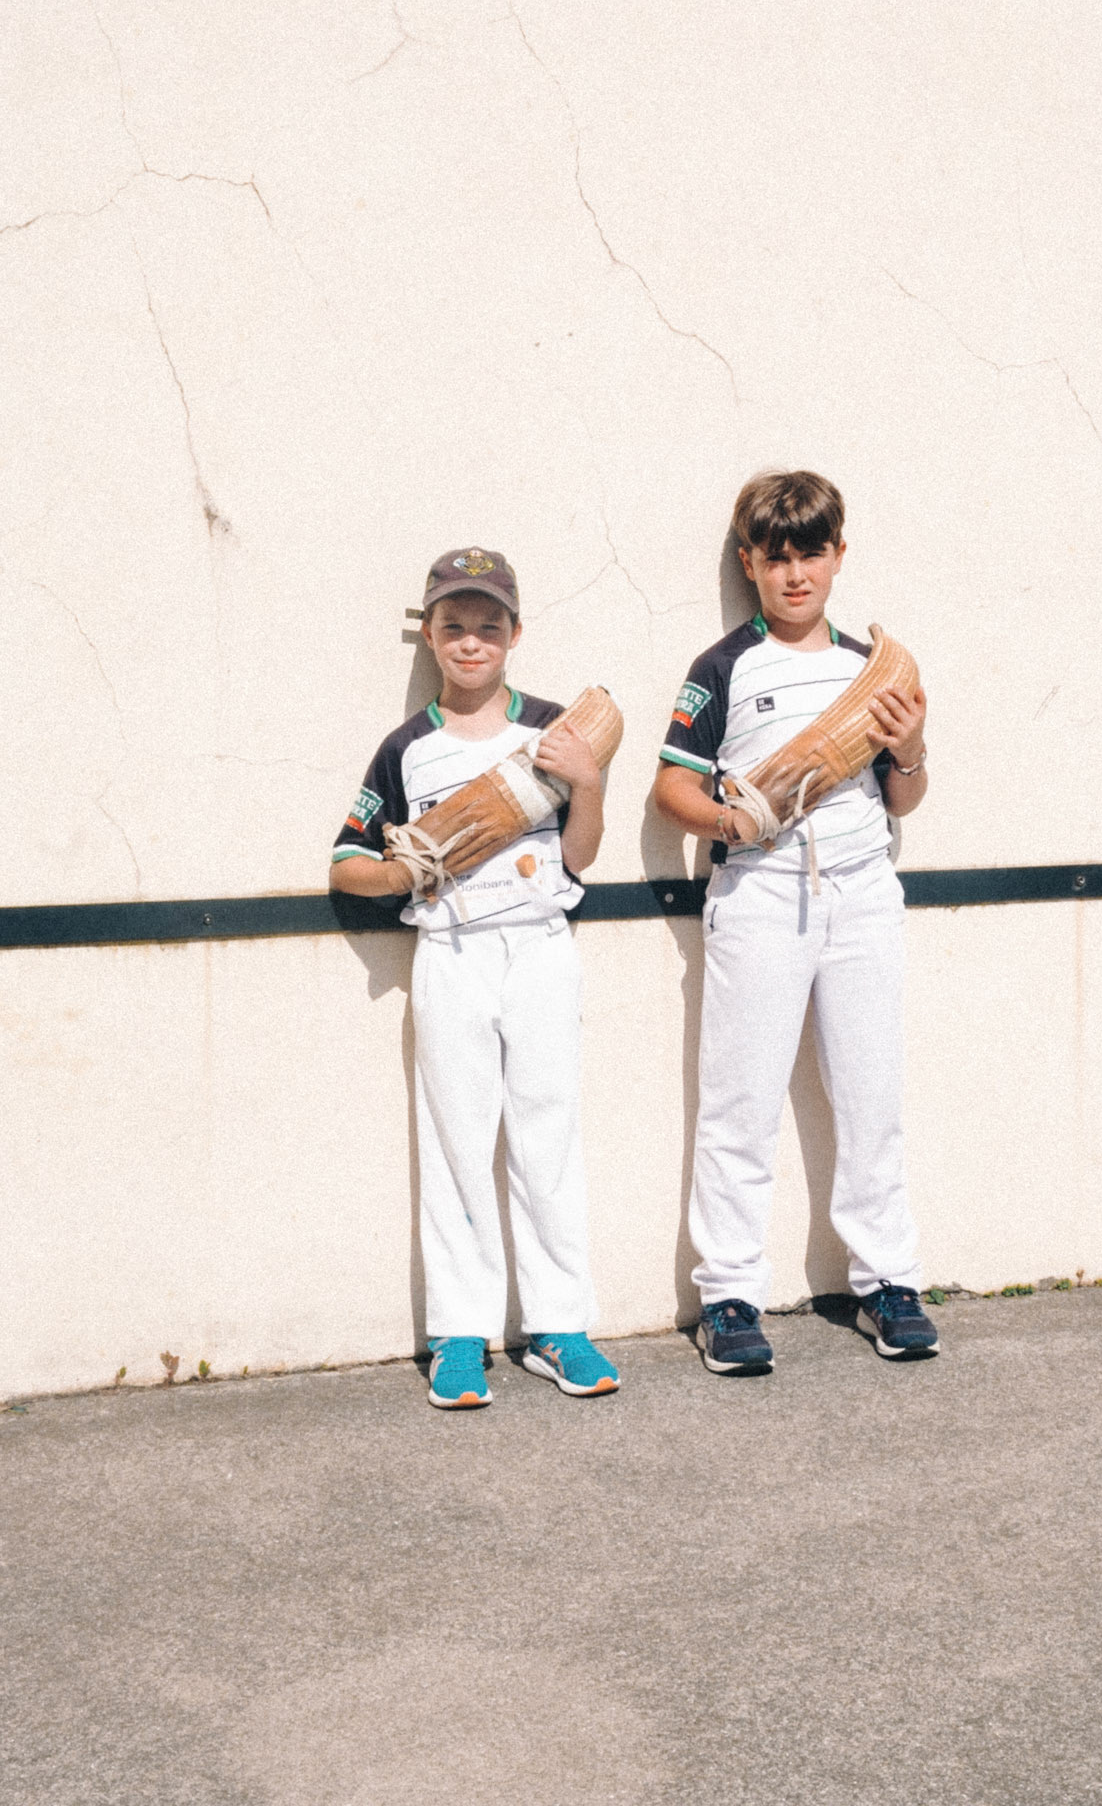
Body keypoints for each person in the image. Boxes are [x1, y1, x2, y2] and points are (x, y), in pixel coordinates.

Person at [652, 472, 937, 1374]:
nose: (794, 575)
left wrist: (910, 748)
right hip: (762, 893)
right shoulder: (722, 667)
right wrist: (728, 822)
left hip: (861, 891)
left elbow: (903, 795)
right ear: (749, 564)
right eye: (775, 559)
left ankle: (888, 1282)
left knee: (870, 1096)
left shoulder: (869, 668)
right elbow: (670, 786)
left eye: (810, 555)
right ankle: (728, 1296)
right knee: (738, 1103)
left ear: (837, 556)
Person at [330, 547, 620, 1408]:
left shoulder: (556, 729)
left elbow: (579, 855)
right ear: (428, 634)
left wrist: (589, 784)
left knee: (546, 1135)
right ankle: (459, 1333)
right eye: (452, 625)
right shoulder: (407, 748)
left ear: (514, 634)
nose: (469, 641)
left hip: (538, 947)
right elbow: (346, 863)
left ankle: (559, 1326)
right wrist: (404, 870)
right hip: (451, 955)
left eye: (487, 626)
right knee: (456, 1141)